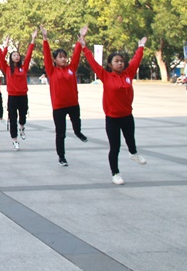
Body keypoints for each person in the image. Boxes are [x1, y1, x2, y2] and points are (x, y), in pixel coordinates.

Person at [80, 31, 148, 185]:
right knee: (115, 147)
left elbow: (136, 60)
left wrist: (141, 46)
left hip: (127, 116)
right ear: (110, 65)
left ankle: (133, 153)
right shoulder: (105, 75)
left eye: (121, 61)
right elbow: (93, 62)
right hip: (112, 118)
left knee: (131, 141)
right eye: (116, 61)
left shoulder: (128, 74)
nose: (120, 63)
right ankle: (115, 173)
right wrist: (84, 47)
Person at [41, 25, 88, 167]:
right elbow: (46, 56)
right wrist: (45, 39)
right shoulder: (51, 71)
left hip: (73, 104)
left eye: (65, 57)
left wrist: (81, 38)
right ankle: (61, 157)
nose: (63, 59)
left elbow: (76, 55)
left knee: (77, 124)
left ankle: (78, 133)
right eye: (60, 57)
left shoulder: (71, 69)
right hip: (59, 107)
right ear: (55, 60)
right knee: (60, 133)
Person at [0, 30, 36, 151]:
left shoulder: (23, 68)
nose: (16, 56)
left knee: (23, 115)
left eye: (18, 55)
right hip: (12, 97)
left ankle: (22, 126)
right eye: (14, 55)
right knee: (12, 119)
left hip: (23, 96)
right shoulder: (7, 68)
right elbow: (1, 57)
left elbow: (29, 55)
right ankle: (14, 140)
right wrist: (5, 45)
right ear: (11, 57)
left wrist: (32, 40)